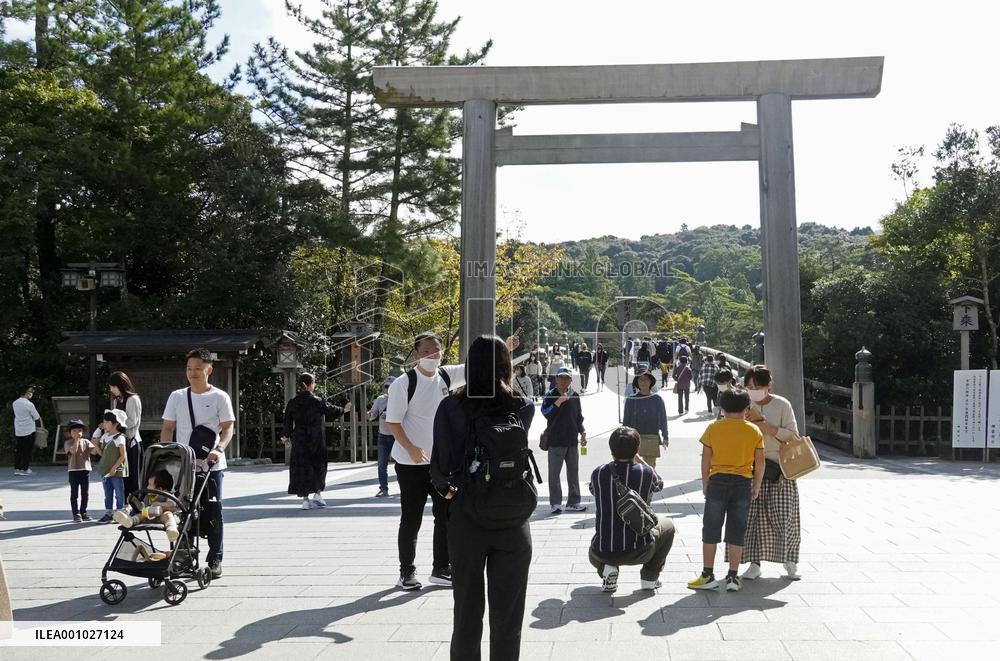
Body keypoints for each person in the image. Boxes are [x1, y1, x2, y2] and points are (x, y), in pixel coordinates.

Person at [431, 335, 536, 661]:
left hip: (467, 520)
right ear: (506, 364)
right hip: (514, 520)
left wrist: (453, 496)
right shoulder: (522, 406)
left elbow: (440, 467)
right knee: (508, 618)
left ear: (470, 365)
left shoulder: (451, 406)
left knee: (466, 613)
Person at [385, 332, 467, 591]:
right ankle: (406, 571)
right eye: (427, 351)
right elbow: (393, 423)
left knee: (445, 515)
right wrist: (410, 449)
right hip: (410, 464)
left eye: (437, 350)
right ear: (416, 354)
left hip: (440, 464)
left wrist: (504, 346)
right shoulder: (403, 383)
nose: (433, 355)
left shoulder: (446, 375)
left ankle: (441, 568)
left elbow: (479, 364)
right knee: (412, 518)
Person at [160, 348, 235, 579]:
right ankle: (184, 555)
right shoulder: (177, 396)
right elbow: (168, 428)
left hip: (212, 465)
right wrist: (166, 455)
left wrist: (218, 448)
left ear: (209, 370)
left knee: (213, 511)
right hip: (183, 465)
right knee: (183, 510)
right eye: (189, 368)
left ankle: (215, 557)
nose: (192, 373)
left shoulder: (220, 397)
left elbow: (228, 427)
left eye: (198, 369)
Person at [688, 388, 764, 592]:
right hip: (743, 483)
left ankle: (707, 574)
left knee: (711, 527)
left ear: (722, 407)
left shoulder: (713, 428)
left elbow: (706, 458)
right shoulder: (754, 430)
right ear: (747, 409)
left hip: (718, 481)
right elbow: (760, 461)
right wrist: (756, 485)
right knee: (736, 529)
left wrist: (705, 482)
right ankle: (732, 576)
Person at [589, 426, 675, 593]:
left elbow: (593, 490)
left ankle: (607, 571)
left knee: (597, 546)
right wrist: (640, 460)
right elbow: (659, 484)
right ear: (637, 449)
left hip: (602, 550)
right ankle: (649, 578)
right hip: (640, 550)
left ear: (611, 449)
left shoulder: (599, 473)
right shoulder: (646, 472)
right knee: (668, 526)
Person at [740, 365, 803, 581]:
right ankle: (754, 563)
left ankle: (790, 561)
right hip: (750, 468)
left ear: (769, 385)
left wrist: (762, 424)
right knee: (752, 518)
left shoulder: (782, 405)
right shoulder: (743, 404)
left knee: (785, 517)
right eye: (749, 387)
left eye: (757, 386)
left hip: (780, 468)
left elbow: (793, 436)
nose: (753, 391)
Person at [281, 372, 352, 510]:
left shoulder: (293, 402)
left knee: (302, 467)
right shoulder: (317, 401)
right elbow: (331, 409)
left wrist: (286, 435)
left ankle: (305, 500)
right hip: (315, 438)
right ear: (310, 384)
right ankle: (318, 494)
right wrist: (344, 410)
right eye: (313, 382)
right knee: (318, 465)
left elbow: (288, 421)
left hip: (300, 438)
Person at [541, 367, 587, 514]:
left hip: (572, 441)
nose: (563, 381)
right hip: (555, 442)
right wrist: (558, 402)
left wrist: (583, 432)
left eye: (566, 378)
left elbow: (578, 417)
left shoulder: (575, 395)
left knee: (573, 473)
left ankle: (573, 502)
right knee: (554, 474)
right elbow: (546, 413)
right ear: (556, 379)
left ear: (570, 380)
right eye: (561, 378)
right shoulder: (550, 395)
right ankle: (555, 503)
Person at [101, 372, 143, 499]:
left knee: (133, 478)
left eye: (113, 387)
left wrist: (114, 425)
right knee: (121, 477)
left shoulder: (133, 399)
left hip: (131, 442)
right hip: (118, 442)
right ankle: (122, 506)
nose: (111, 390)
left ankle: (135, 508)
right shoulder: (117, 400)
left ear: (121, 385)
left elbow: (132, 422)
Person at [113, 469, 180, 542]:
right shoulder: (147, 496)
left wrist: (160, 504)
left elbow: (172, 504)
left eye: (150, 485)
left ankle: (171, 529)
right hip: (148, 516)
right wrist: (134, 501)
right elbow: (142, 507)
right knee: (141, 514)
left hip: (161, 517)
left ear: (160, 488)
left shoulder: (167, 495)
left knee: (168, 515)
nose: (147, 487)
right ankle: (130, 521)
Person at [622, 372, 669, 467]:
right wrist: (623, 438)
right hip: (634, 438)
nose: (643, 382)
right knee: (634, 468)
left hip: (652, 436)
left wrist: (665, 436)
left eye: (646, 379)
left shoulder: (657, 399)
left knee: (650, 468)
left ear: (651, 381)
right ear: (637, 382)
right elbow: (626, 421)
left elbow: (663, 419)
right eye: (640, 379)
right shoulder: (631, 400)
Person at [95, 409, 129, 523]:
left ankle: (120, 513)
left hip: (116, 470)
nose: (103, 424)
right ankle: (108, 513)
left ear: (115, 423)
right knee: (107, 493)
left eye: (106, 422)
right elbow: (101, 453)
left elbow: (123, 455)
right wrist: (96, 446)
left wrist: (114, 467)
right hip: (105, 469)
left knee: (119, 492)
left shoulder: (120, 437)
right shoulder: (105, 436)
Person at [368, 376, 396, 498]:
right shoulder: (380, 399)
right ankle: (383, 488)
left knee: (401, 464)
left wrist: (389, 415)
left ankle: (404, 488)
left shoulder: (400, 398)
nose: (388, 389)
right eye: (386, 386)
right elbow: (373, 413)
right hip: (383, 435)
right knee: (381, 464)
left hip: (397, 435)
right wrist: (370, 414)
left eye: (390, 386)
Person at [65, 419, 97, 522]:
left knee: (85, 493)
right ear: (70, 433)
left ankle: (83, 512)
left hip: (85, 470)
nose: (77, 433)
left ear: (82, 432)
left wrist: (97, 439)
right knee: (74, 493)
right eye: (74, 431)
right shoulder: (68, 443)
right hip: (73, 471)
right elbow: (73, 451)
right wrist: (77, 440)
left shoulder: (86, 442)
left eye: (79, 430)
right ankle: (75, 513)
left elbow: (94, 452)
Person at [11, 385, 41, 476]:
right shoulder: (29, 404)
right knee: (27, 450)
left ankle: (17, 468)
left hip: (19, 429)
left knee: (19, 449)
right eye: (30, 392)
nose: (31, 393)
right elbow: (36, 417)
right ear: (27, 393)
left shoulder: (15, 403)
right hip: (29, 429)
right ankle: (25, 468)